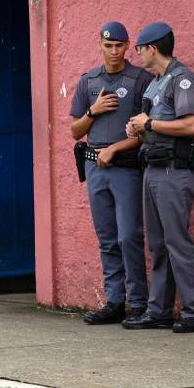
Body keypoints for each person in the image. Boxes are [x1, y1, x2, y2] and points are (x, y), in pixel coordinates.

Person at [123, 22, 194, 333]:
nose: (139, 55)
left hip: (174, 170)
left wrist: (150, 125)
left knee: (176, 241)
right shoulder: (154, 84)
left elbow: (191, 126)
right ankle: (158, 310)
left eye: (140, 49)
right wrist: (137, 128)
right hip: (153, 167)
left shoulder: (182, 80)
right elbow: (150, 127)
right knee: (158, 244)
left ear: (152, 49)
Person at [69, 22, 153, 324]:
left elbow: (147, 131)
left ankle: (140, 303)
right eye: (108, 46)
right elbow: (74, 130)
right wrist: (93, 111)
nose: (114, 51)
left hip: (126, 167)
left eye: (119, 45)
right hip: (95, 167)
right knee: (107, 237)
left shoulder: (140, 79)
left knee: (129, 235)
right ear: (100, 46)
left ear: (128, 46)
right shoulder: (89, 81)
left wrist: (115, 148)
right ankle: (115, 300)